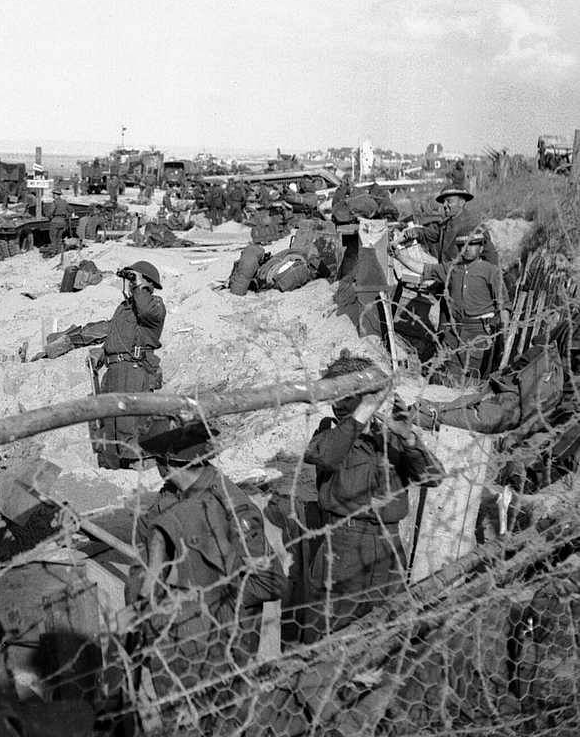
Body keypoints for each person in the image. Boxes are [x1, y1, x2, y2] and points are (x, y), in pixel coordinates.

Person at [127, 420, 286, 733]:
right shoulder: (172, 494)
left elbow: (270, 582)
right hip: (173, 644)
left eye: (156, 461)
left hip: (219, 649)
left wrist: (207, 605)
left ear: (168, 463)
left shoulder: (231, 507)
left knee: (222, 726)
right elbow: (146, 554)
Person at [303, 353, 443, 638]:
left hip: (388, 545)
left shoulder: (390, 434)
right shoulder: (331, 432)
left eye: (341, 396)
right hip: (345, 544)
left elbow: (432, 477)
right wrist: (364, 410)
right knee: (333, 633)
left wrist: (409, 439)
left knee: (388, 630)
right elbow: (324, 456)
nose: (335, 403)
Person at [88, 260, 167, 468]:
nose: (130, 283)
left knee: (130, 422)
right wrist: (101, 355)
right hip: (114, 371)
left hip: (134, 370)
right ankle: (114, 465)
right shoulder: (123, 308)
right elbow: (116, 338)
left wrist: (141, 285)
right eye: (130, 279)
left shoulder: (155, 305)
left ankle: (140, 463)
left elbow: (147, 312)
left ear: (147, 283)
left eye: (135, 279)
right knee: (110, 422)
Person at [417, 230, 509, 381]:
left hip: (479, 332)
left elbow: (504, 306)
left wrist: (503, 335)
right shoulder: (452, 269)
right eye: (462, 245)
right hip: (455, 332)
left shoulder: (490, 271)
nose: (466, 248)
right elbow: (425, 270)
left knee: (475, 379)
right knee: (448, 379)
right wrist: (398, 254)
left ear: (481, 248)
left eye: (472, 245)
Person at [404, 187, 498, 267]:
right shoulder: (445, 224)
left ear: (461, 203)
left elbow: (490, 255)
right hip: (447, 276)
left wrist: (493, 280)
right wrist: (417, 231)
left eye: (449, 201)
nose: (444, 205)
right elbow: (431, 233)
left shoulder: (473, 225)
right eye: (443, 202)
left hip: (465, 278)